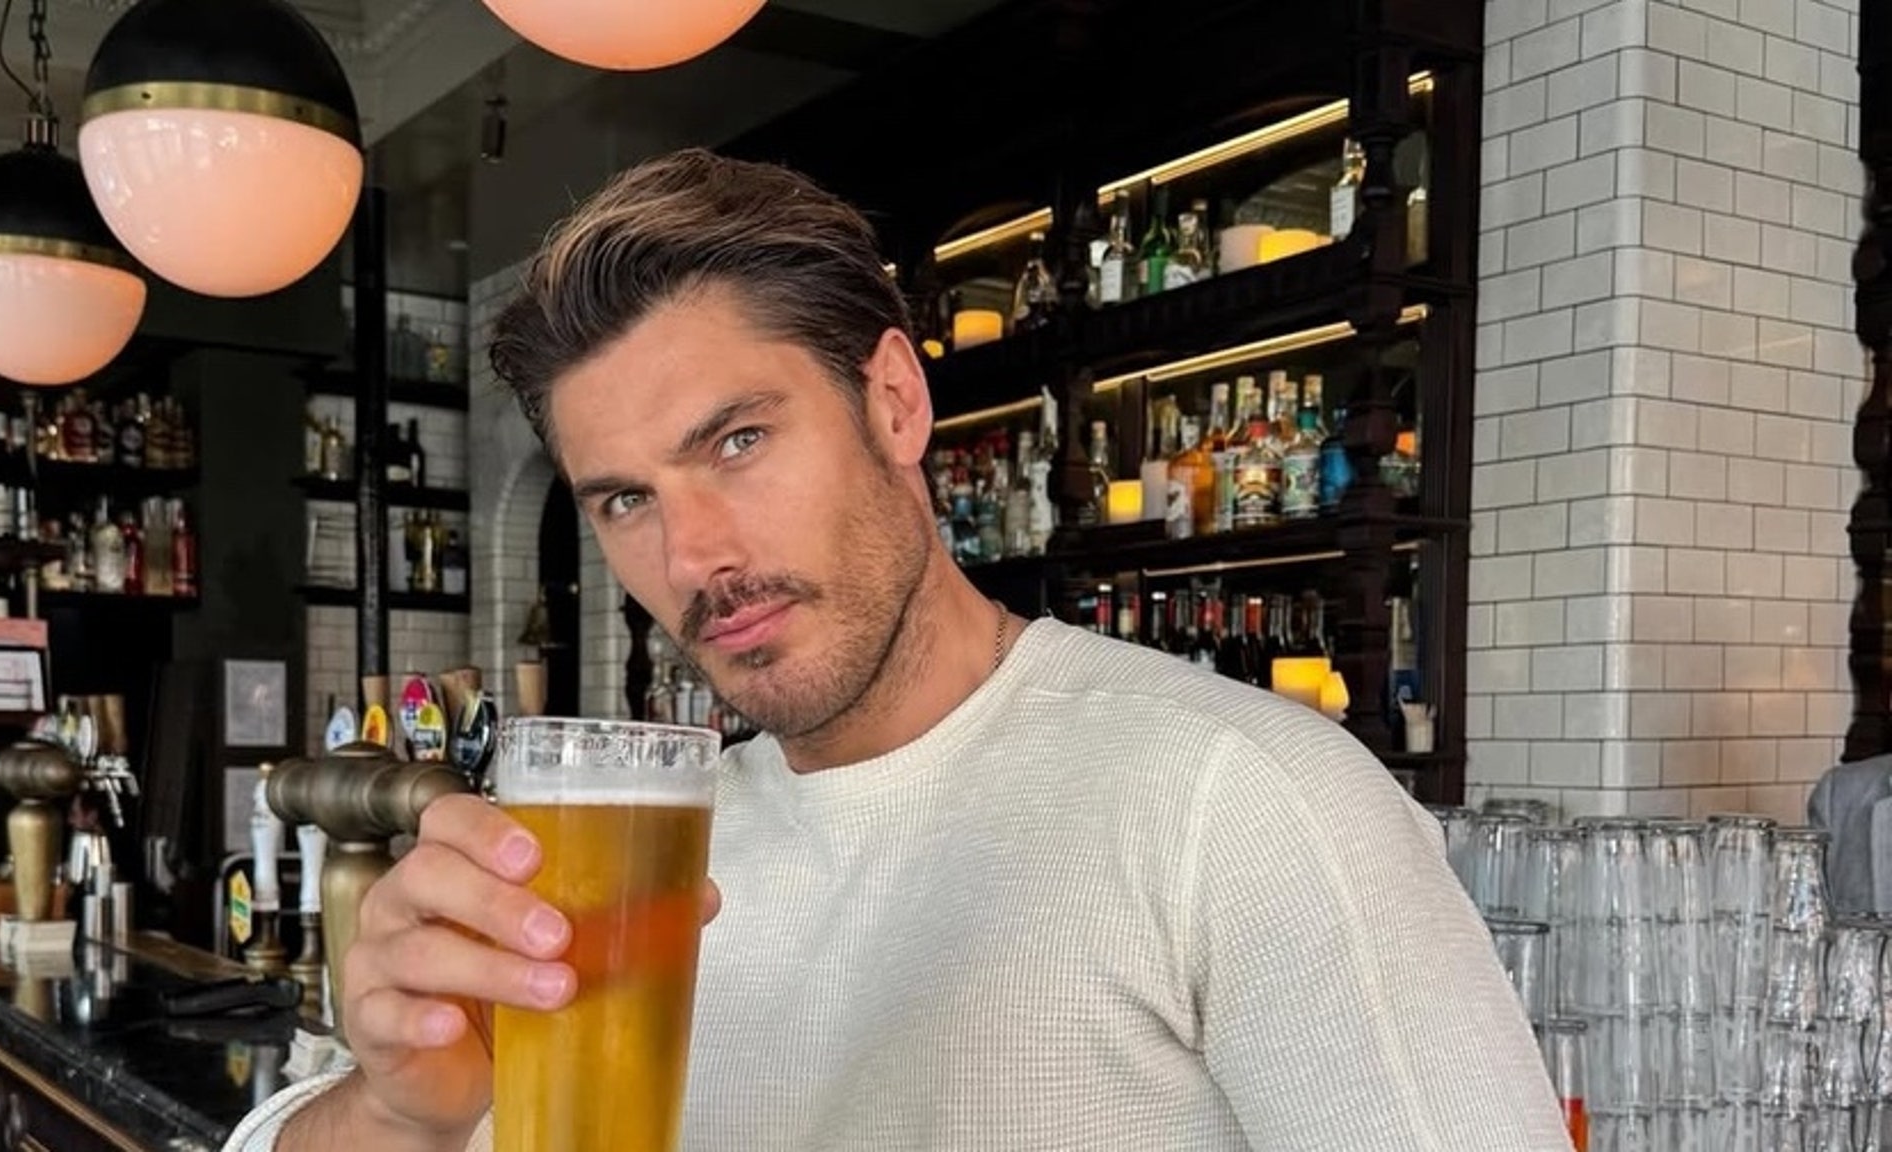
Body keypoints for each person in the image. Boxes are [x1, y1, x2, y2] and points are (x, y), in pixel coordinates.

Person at [225, 149, 1569, 1152]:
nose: (692, 556)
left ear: (894, 401)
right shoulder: (629, 863)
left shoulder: (1244, 798)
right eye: (625, 499)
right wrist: (394, 1114)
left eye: (737, 441)